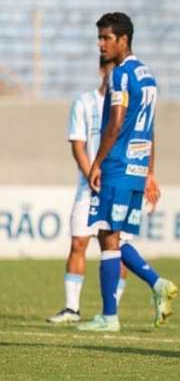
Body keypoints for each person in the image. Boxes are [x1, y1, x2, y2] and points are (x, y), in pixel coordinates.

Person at [76, 12, 178, 332]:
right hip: (136, 168)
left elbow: (116, 123)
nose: (100, 44)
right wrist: (149, 172)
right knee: (116, 236)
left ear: (124, 40)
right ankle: (157, 283)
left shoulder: (120, 74)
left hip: (118, 166)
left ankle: (109, 317)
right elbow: (149, 128)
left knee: (107, 235)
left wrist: (96, 163)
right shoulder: (147, 75)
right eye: (99, 38)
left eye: (106, 38)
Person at [47, 58, 130, 324]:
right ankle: (72, 308)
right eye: (109, 69)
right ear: (101, 71)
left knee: (117, 246)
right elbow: (78, 145)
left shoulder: (129, 104)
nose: (113, 74)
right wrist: (91, 174)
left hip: (118, 185)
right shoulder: (83, 102)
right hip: (89, 186)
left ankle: (111, 309)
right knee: (78, 242)